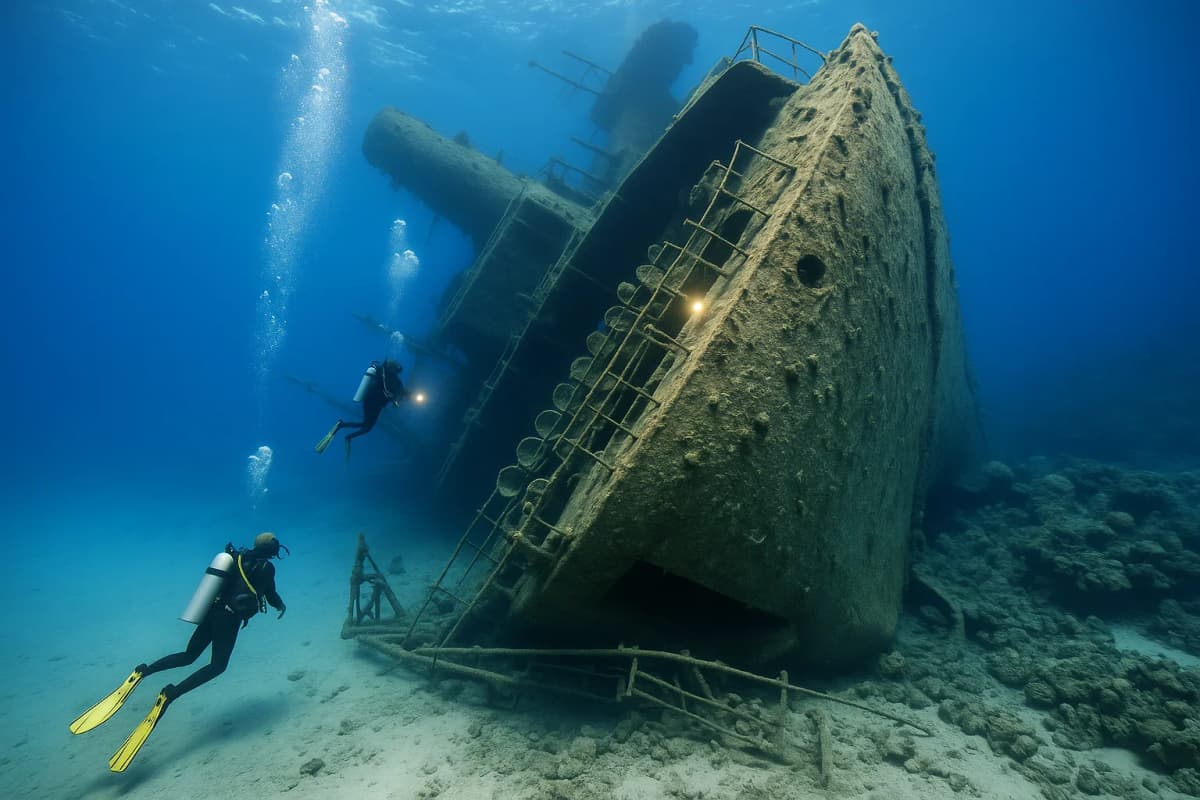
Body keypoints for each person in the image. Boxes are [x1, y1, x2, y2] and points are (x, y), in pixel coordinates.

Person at [69, 532, 289, 772]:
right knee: (218, 666)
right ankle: (171, 694)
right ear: (271, 548)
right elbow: (270, 594)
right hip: (228, 619)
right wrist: (281, 606)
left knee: (188, 656)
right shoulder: (266, 568)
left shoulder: (236, 557)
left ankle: (143, 671)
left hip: (211, 613)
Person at [315, 358, 409, 460]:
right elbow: (397, 392)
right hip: (375, 405)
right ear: (394, 369)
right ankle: (345, 432)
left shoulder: (383, 376)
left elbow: (391, 393)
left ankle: (342, 427)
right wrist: (404, 395)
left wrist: (397, 397)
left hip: (369, 402)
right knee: (367, 427)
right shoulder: (392, 379)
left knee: (366, 425)